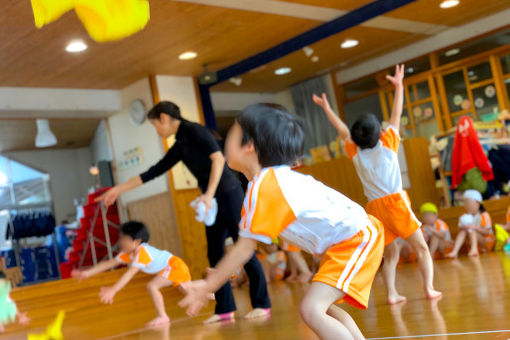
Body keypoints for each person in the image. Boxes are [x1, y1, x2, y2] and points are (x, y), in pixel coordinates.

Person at [179, 103, 384, 340]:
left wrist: (208, 285)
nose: (224, 141)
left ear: (249, 146)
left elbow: (244, 248)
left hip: (357, 238)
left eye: (231, 134)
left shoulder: (268, 186)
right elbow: (247, 247)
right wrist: (223, 275)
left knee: (311, 310)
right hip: (348, 241)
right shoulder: (260, 188)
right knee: (321, 309)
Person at [96, 101, 270, 323]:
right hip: (212, 201)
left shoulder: (196, 131)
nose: (157, 131)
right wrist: (119, 189)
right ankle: (225, 308)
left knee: (242, 247)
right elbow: (153, 172)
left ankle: (261, 304)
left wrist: (208, 193)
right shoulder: (180, 145)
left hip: (228, 193)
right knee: (215, 254)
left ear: (164, 118)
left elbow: (218, 158)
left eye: (155, 125)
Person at [314, 64, 441, 305]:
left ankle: (392, 293)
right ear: (379, 133)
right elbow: (397, 112)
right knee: (422, 248)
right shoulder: (388, 146)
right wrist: (399, 86)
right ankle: (429, 288)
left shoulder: (356, 153)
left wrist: (328, 108)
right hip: (395, 204)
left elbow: (342, 130)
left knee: (390, 254)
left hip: (374, 208)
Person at [71, 221, 193, 327]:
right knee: (192, 292)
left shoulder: (142, 253)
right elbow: (109, 263)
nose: (120, 242)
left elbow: (129, 273)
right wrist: (87, 273)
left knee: (152, 286)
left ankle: (163, 316)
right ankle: (212, 294)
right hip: (175, 266)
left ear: (137, 241)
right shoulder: (129, 252)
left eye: (123, 239)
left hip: (174, 266)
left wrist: (113, 290)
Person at [446, 190, 494, 258]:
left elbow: (487, 232)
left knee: (472, 229)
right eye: (465, 203)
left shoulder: (484, 215)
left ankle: (474, 249)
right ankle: (455, 251)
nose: (466, 205)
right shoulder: (465, 217)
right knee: (464, 230)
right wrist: (462, 228)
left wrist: (474, 227)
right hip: (473, 242)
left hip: (486, 242)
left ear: (478, 203)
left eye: (468, 202)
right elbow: (460, 232)